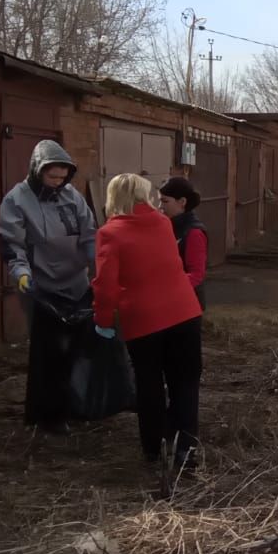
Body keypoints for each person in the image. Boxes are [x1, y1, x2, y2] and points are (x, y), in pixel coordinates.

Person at [93, 174, 204, 474]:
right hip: (184, 313)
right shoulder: (163, 223)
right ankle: (186, 448)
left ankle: (155, 448)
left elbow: (105, 285)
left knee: (150, 385)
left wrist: (102, 321)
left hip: (144, 321)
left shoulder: (110, 233)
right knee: (185, 381)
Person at [0, 139, 97, 435]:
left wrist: (99, 265)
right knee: (49, 351)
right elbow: (10, 241)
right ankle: (48, 414)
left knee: (78, 348)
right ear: (37, 172)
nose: (57, 183)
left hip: (76, 281)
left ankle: (76, 405)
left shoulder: (72, 196)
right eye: (52, 177)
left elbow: (89, 234)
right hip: (40, 285)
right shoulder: (17, 199)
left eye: (62, 177)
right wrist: (21, 272)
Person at [159, 177, 208, 309]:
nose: (161, 206)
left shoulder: (194, 232)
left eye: (165, 201)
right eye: (160, 201)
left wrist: (166, 289)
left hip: (187, 303)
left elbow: (196, 274)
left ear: (182, 202)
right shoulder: (170, 225)